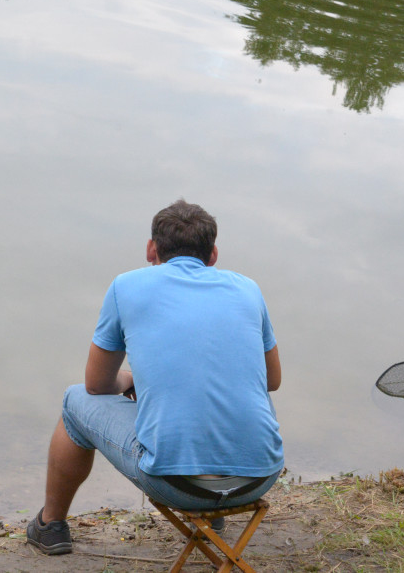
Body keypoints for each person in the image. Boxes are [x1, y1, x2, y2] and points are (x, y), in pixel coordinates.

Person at [26, 200, 283, 555]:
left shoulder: (126, 286)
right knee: (235, 392)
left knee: (75, 400)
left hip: (177, 485)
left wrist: (129, 380)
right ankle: (216, 519)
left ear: (151, 249)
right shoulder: (248, 289)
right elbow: (272, 380)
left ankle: (50, 525)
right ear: (213, 254)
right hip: (259, 477)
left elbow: (96, 385)